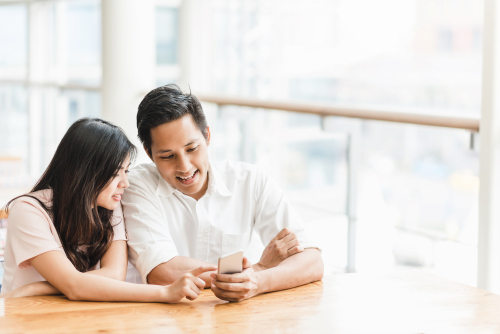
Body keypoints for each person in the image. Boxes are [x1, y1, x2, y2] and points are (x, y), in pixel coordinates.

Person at [122, 84, 324, 302]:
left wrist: (258, 281)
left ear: (207, 136)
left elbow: (312, 262)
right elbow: (162, 273)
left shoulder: (250, 181)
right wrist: (260, 267)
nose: (185, 167)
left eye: (192, 149)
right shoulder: (136, 186)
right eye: (168, 156)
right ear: (150, 154)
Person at [1, 118, 215, 302]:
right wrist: (165, 293)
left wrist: (38, 288)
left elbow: (113, 275)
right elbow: (74, 287)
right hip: (25, 315)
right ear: (84, 173)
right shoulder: (28, 210)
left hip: (80, 314)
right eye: (115, 173)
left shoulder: (108, 206)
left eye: (126, 171)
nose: (125, 183)